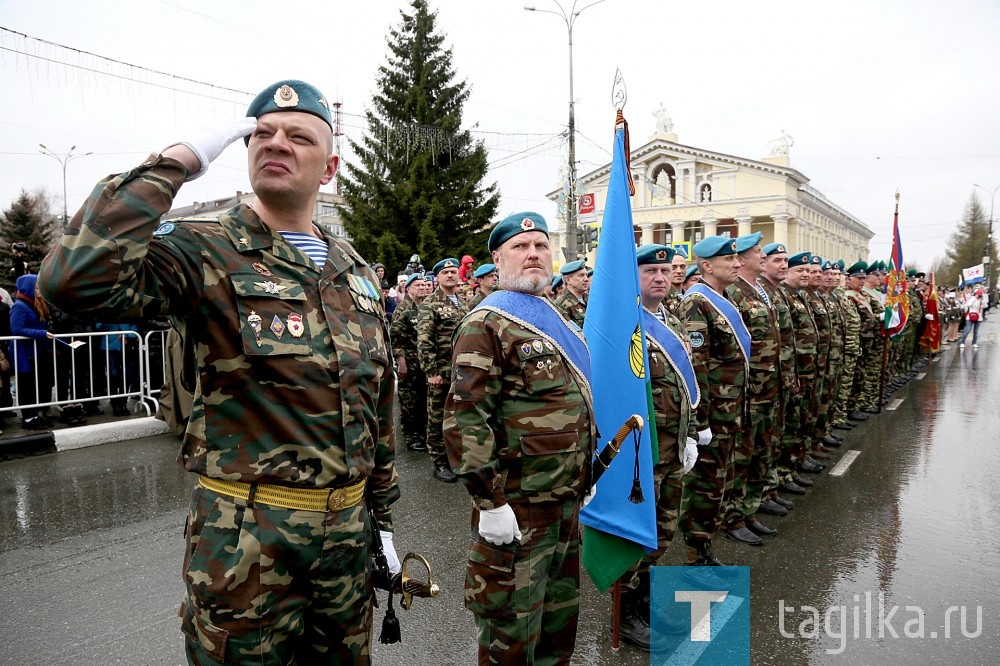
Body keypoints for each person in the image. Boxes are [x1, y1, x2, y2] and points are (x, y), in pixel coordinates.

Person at [38, 79, 401, 665]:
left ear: (329, 167)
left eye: (298, 136)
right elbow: (74, 278)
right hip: (248, 542)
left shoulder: (351, 268)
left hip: (346, 542)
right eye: (262, 134)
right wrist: (177, 162)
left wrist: (380, 519)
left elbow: (373, 403)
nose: (276, 142)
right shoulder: (203, 248)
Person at [443, 211, 595, 664]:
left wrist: (589, 473)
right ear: (498, 257)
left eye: (541, 246)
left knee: (557, 630)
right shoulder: (486, 324)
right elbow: (465, 420)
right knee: (510, 636)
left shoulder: (556, 318)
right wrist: (490, 503)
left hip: (565, 504)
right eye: (520, 247)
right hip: (519, 510)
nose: (533, 254)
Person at [615, 244, 699, 649]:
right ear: (634, 278)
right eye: (650, 271)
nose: (661, 278)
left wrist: (692, 433)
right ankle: (625, 610)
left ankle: (644, 599)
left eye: (665, 271)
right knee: (635, 535)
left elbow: (685, 386)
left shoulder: (673, 319)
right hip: (639, 454)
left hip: (672, 447)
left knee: (663, 533)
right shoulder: (622, 324)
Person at [677, 236, 750, 567]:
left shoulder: (727, 298)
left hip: (730, 410)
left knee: (720, 480)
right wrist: (701, 421)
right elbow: (697, 368)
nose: (737, 264)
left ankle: (705, 543)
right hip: (714, 414)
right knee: (705, 485)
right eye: (729, 260)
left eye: (737, 259)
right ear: (707, 265)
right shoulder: (696, 303)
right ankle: (696, 550)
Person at [720, 232, 780, 547]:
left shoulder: (758, 291)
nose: (764, 255)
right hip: (749, 393)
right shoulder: (735, 294)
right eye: (758, 251)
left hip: (767, 388)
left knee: (760, 452)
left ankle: (749, 509)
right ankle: (732, 516)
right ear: (742, 259)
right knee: (741, 457)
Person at [417, 257, 468, 482]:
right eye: (445, 272)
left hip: (461, 371)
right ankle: (439, 462)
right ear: (437, 277)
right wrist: (431, 372)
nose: (450, 275)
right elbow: (424, 340)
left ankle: (456, 458)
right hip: (441, 371)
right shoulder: (430, 303)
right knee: (437, 417)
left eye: (453, 271)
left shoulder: (463, 303)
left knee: (458, 416)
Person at [9, 274, 55, 429]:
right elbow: (17, 330)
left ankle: (34, 415)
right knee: (26, 386)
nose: (39, 289)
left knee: (34, 384)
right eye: (36, 287)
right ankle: (28, 418)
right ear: (28, 288)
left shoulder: (34, 304)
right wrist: (41, 334)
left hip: (35, 350)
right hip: (23, 352)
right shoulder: (19, 306)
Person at [391, 272, 430, 452]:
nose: (422, 288)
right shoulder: (402, 309)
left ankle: (422, 434)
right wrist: (401, 362)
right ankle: (410, 437)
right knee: (409, 403)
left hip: (423, 364)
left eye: (424, 285)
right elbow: (396, 339)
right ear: (408, 289)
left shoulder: (425, 308)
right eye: (418, 285)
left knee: (423, 401)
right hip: (410, 363)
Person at [553, 259, 589, 328]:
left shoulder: (589, 299)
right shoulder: (560, 305)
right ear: (568, 280)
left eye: (586, 275)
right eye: (581, 275)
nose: (586, 279)